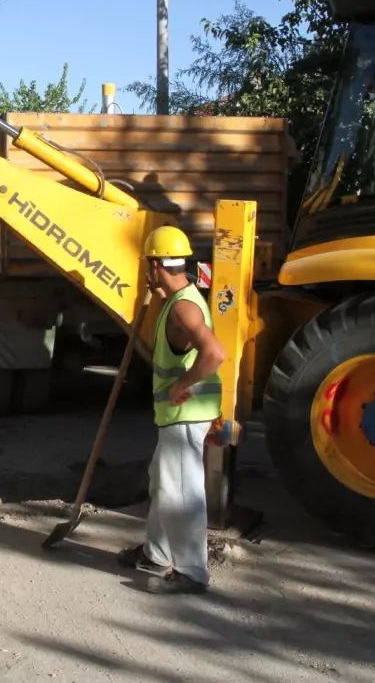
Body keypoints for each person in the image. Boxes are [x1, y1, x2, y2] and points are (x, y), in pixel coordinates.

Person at [118, 226, 227, 594]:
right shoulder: (182, 298)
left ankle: (192, 572)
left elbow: (214, 353)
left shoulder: (181, 307)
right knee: (163, 483)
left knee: (180, 492)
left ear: (154, 264)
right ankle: (156, 553)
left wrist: (184, 383)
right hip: (180, 415)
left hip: (185, 414)